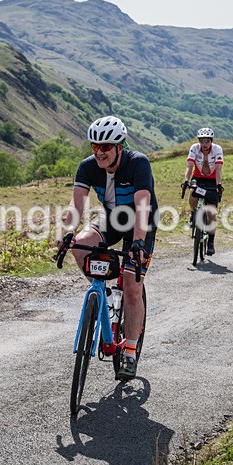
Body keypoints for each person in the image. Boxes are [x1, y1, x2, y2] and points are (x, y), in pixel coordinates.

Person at [59, 115, 157, 381]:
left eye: (106, 147)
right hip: (112, 218)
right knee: (80, 246)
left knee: (132, 285)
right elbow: (76, 204)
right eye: (95, 146)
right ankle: (103, 293)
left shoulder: (138, 163)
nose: (99, 152)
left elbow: (142, 205)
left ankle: (130, 350)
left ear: (119, 147)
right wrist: (69, 232)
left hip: (141, 223)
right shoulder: (88, 167)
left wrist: (137, 242)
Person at [181, 127, 224, 256]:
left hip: (212, 180)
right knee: (192, 193)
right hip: (198, 178)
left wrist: (218, 185)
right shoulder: (194, 148)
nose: (204, 144)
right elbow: (189, 166)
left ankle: (210, 242)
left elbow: (218, 169)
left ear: (211, 141)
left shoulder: (217, 150)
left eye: (207, 141)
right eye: (202, 141)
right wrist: (186, 181)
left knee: (211, 213)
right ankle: (194, 213)